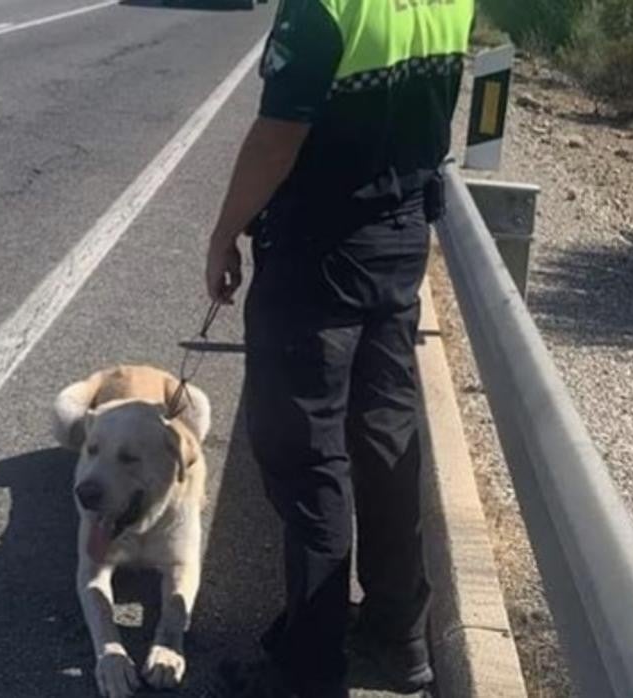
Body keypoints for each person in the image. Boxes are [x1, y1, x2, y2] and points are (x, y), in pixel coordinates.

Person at [203, 1, 475, 696]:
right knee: (385, 438)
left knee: (308, 457)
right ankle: (399, 638)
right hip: (401, 238)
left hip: (318, 250)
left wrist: (223, 232)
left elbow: (277, 137)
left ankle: (309, 666)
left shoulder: (325, 7)